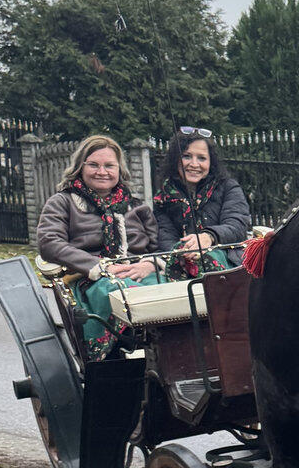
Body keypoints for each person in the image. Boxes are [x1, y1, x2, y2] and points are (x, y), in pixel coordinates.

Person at [35, 135, 159, 359]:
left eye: (109, 166)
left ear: (119, 170)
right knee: (124, 294)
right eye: (94, 165)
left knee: (178, 293)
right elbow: (49, 242)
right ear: (80, 167)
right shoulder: (63, 202)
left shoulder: (137, 206)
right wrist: (100, 267)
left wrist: (149, 265)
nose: (102, 172)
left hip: (139, 273)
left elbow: (156, 246)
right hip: (92, 279)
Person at [151, 127, 251, 274]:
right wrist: (184, 253)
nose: (194, 164)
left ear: (211, 162)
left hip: (228, 264)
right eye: (187, 156)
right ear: (175, 159)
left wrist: (208, 237)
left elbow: (237, 226)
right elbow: (166, 238)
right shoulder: (163, 197)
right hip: (182, 264)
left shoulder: (228, 187)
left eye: (201, 158)